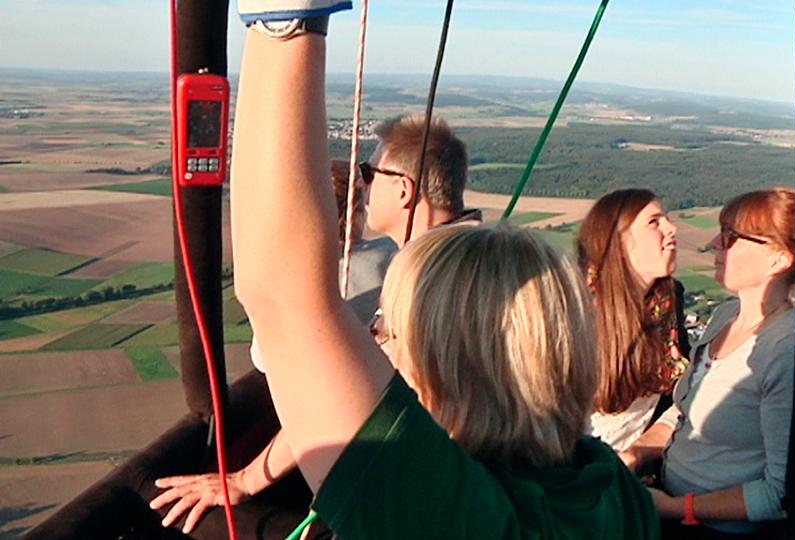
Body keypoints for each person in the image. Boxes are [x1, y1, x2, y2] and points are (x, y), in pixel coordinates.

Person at [157, 5, 659, 539]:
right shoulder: (610, 488)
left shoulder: (458, 516)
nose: (388, 354)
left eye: (396, 338)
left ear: (446, 372)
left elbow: (283, 297)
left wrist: (285, 20)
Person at [151, 160, 396, 533]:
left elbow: (270, 363)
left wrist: (244, 481)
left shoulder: (302, 283)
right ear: (357, 209)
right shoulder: (396, 257)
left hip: (342, 453)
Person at [629, 188, 795, 538]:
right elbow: (683, 410)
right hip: (668, 494)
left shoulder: (783, 350)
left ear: (778, 259)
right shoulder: (726, 315)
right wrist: (636, 454)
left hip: (713, 528)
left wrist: (676, 509)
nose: (713, 243)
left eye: (731, 236)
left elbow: (778, 493)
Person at [577, 189, 691, 461]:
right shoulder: (575, 312)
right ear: (619, 242)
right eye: (654, 222)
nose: (671, 228)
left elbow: (681, 395)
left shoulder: (668, 303)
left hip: (628, 467)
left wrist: (636, 456)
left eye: (666, 219)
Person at [362, 114, 480, 246]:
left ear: (403, 192)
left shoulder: (441, 263)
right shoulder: (471, 251)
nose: (360, 183)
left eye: (369, 173)